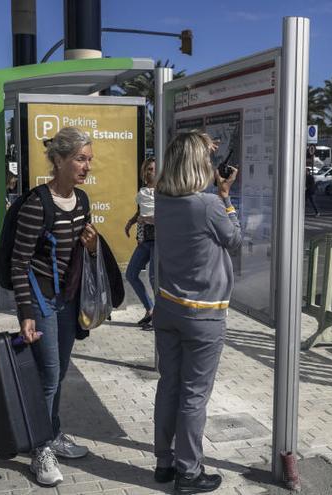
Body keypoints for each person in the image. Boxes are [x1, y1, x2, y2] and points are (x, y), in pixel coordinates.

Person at [153, 130, 241, 494]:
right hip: (203, 314)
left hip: (168, 307)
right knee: (194, 395)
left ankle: (164, 462)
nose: (209, 164)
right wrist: (226, 197)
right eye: (205, 159)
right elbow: (234, 239)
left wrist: (198, 143)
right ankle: (189, 473)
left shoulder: (161, 199)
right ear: (196, 164)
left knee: (169, 386)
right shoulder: (207, 206)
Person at [11, 127, 98, 488]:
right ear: (59, 160)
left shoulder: (81, 201)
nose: (86, 166)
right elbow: (19, 262)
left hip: (68, 299)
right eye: (80, 158)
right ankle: (40, 447)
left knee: (59, 372)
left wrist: (91, 247)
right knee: (47, 375)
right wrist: (26, 313)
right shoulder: (37, 204)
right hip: (42, 299)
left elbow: (79, 255)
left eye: (89, 159)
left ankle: (53, 432)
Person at [124, 157, 157, 330]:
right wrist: (131, 222)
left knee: (154, 278)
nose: (151, 172)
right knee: (131, 274)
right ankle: (150, 309)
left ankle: (159, 317)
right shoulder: (143, 190)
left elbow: (165, 217)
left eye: (153, 169)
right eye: (148, 169)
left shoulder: (165, 191)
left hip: (159, 239)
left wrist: (146, 219)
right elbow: (141, 212)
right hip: (144, 239)